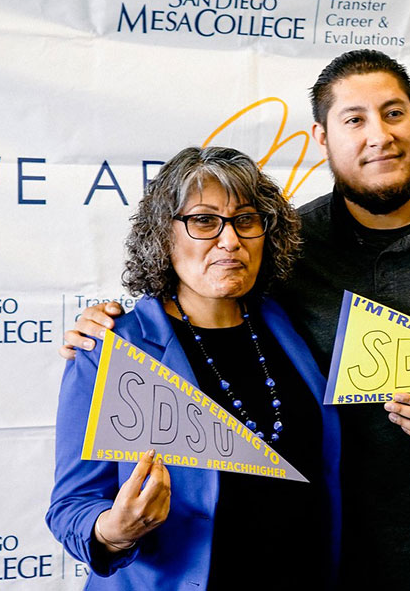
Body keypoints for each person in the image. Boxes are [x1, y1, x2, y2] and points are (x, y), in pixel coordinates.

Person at [62, 50, 410, 590]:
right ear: (322, 138)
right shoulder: (291, 251)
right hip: (350, 566)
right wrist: (104, 327)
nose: (378, 135)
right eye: (354, 119)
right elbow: (198, 296)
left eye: (393, 112)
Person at [47, 146, 343, 589]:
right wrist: (113, 530)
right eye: (204, 220)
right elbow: (71, 506)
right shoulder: (113, 349)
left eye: (246, 219)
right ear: (163, 237)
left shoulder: (293, 327)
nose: (231, 240)